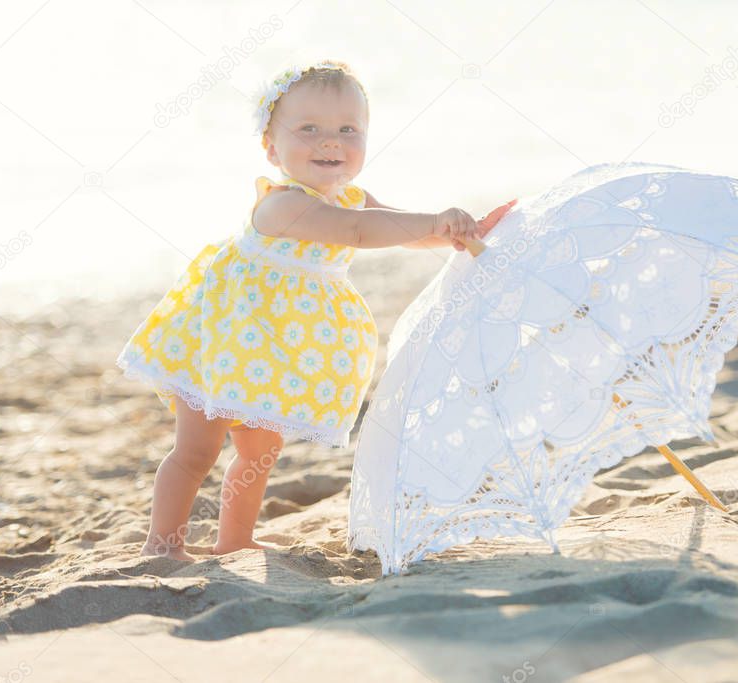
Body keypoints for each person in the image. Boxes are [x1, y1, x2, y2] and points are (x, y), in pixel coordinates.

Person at [115, 59, 516, 561]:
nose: (330, 142)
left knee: (260, 452)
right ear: (270, 147)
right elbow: (357, 232)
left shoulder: (349, 196)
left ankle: (234, 539)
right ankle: (163, 544)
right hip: (220, 339)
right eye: (309, 129)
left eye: (348, 129)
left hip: (267, 349)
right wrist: (435, 218)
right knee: (197, 451)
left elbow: (392, 226)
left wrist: (463, 229)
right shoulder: (282, 205)